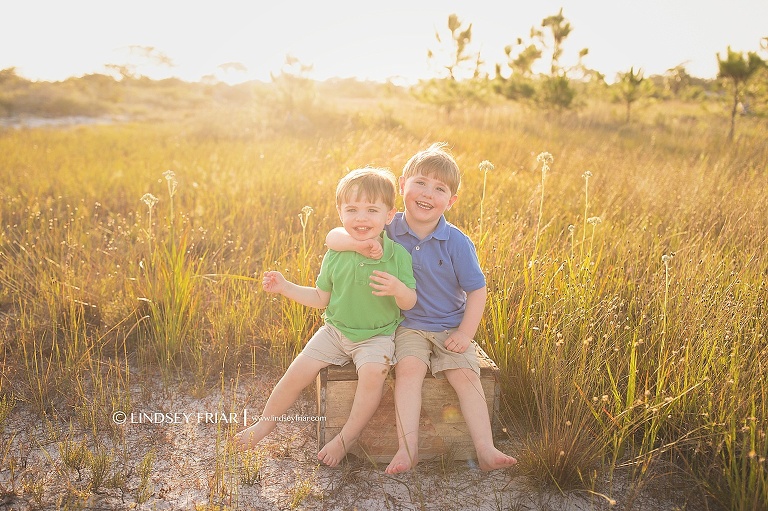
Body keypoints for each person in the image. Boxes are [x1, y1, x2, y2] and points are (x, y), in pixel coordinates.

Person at [326, 143, 517, 473]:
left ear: (451, 201)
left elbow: (477, 289)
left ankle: (486, 449)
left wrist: (465, 332)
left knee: (466, 375)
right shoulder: (386, 226)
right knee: (409, 371)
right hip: (407, 324)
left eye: (439, 188)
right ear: (402, 185)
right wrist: (359, 243)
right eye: (420, 183)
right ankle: (408, 447)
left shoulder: (456, 241)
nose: (428, 194)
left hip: (449, 325)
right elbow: (333, 236)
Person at [235, 167, 417, 467]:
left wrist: (398, 289)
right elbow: (320, 299)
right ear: (340, 212)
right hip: (335, 332)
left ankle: (346, 438)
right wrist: (286, 287)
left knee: (374, 375)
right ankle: (264, 424)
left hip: (377, 335)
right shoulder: (336, 254)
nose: (361, 217)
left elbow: (409, 302)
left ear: (389, 215)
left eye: (372, 210)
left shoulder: (398, 255)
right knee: (296, 373)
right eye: (352, 209)